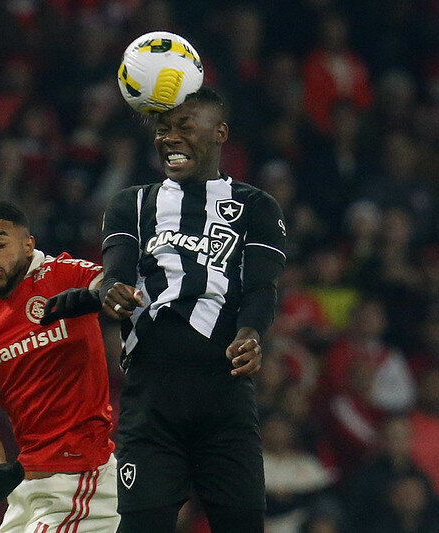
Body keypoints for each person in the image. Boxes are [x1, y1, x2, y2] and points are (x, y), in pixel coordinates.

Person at [100, 87, 286, 532]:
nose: (169, 137)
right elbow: (115, 272)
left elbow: (261, 287)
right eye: (163, 129)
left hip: (223, 392)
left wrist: (251, 334)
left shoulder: (256, 206)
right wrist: (112, 290)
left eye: (184, 126)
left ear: (220, 133)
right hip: (151, 397)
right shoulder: (131, 203)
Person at [0, 200, 119, 532]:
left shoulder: (64, 274)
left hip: (83, 481)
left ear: (28, 245)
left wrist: (99, 296)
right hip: (26, 489)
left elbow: (120, 289)